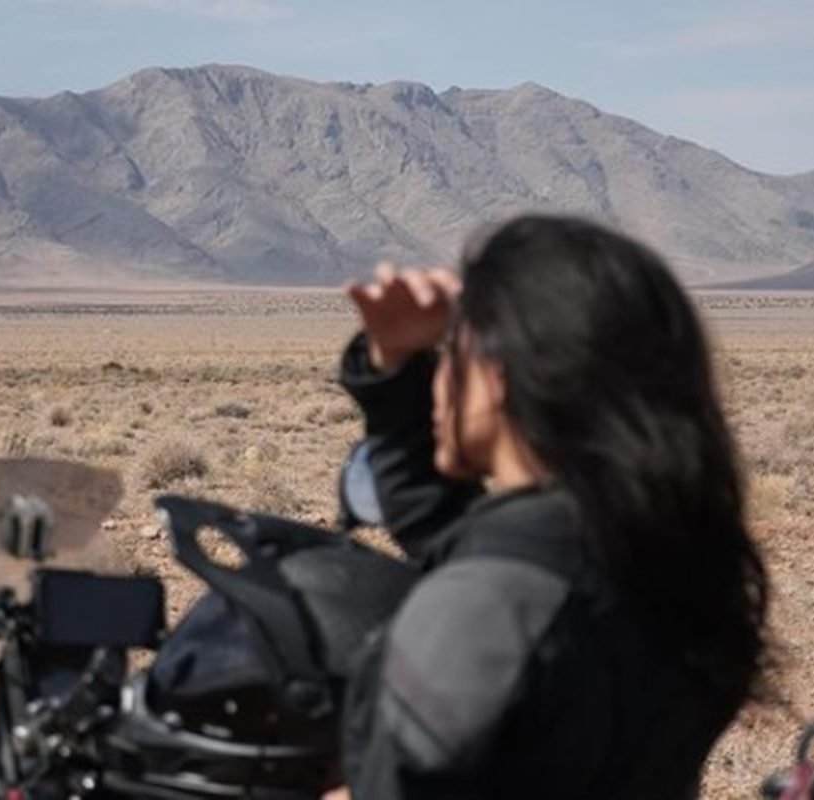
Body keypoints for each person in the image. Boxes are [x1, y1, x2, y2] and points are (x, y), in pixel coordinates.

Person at [325, 214, 769, 800]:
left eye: (451, 351)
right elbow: (452, 531)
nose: (440, 381)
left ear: (500, 373)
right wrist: (395, 369)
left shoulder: (494, 605)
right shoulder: (657, 555)